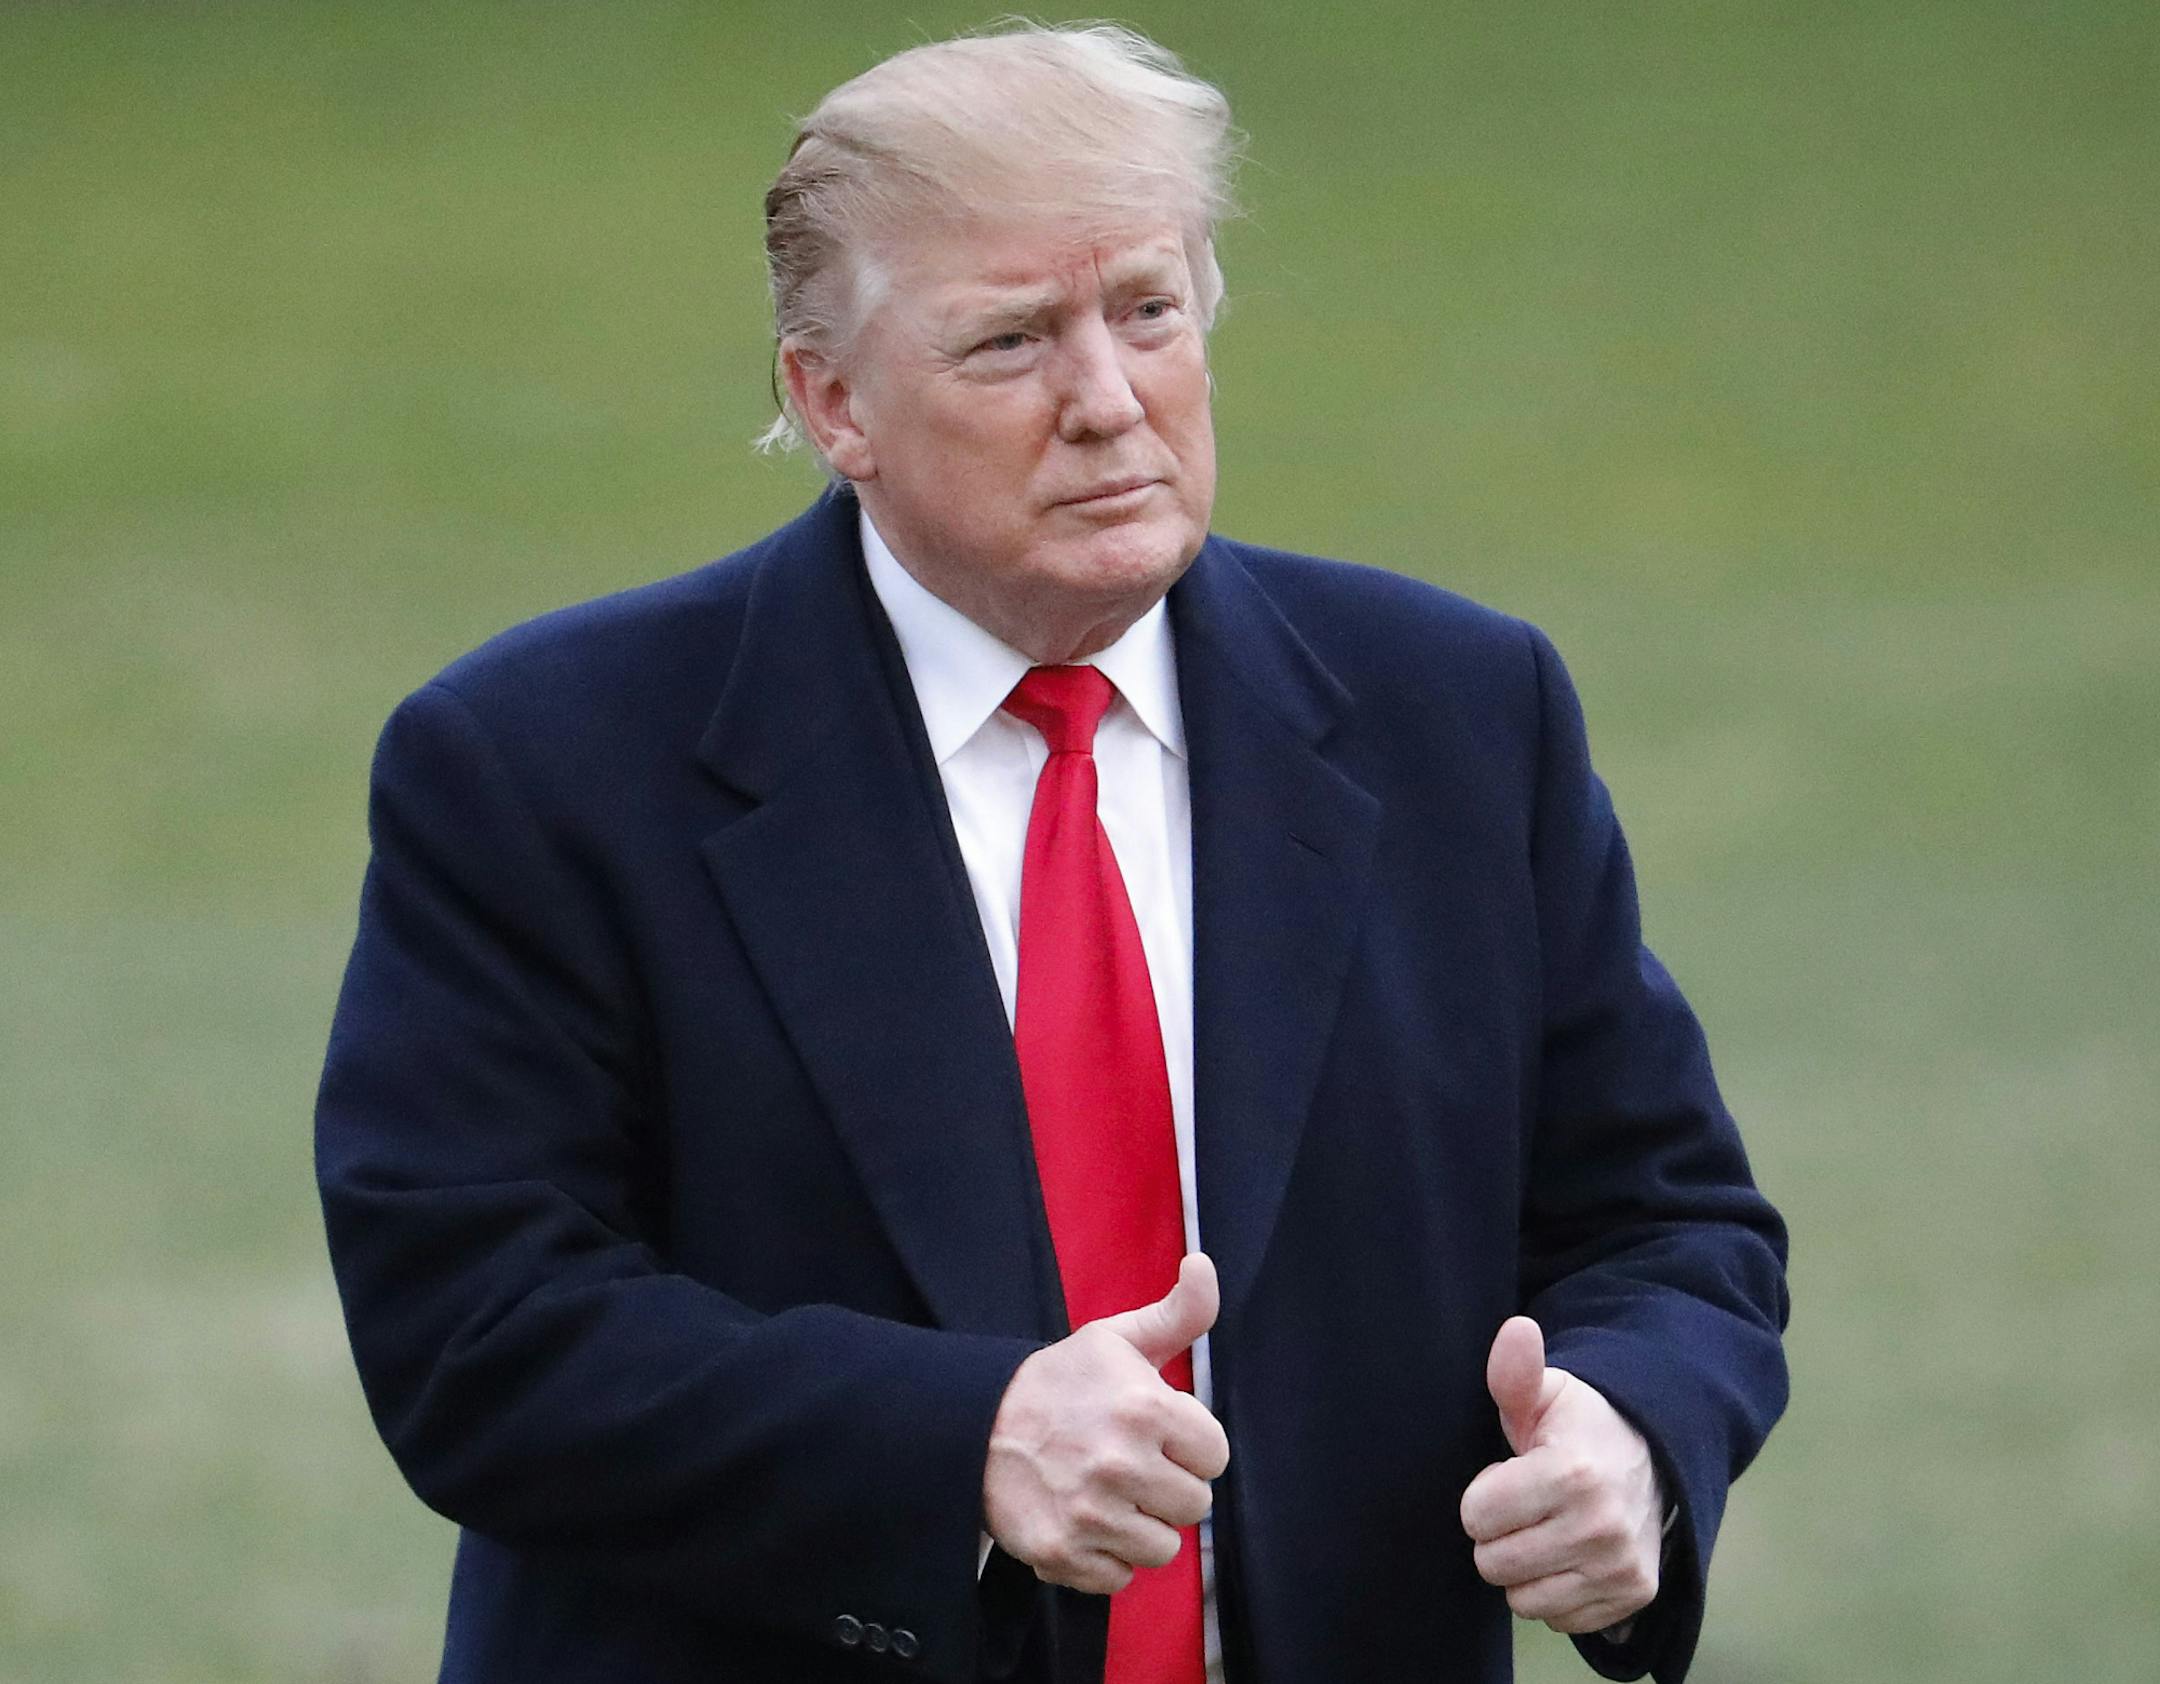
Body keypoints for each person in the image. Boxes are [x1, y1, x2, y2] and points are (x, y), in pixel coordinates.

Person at [315, 23, 1788, 1684]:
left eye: (1147, 310)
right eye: (1011, 341)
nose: (1107, 401)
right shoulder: (539, 765)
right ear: (833, 402)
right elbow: (479, 1334)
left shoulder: (1459, 712)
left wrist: (1636, 1442)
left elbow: (1670, 1224)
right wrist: (960, 1443)